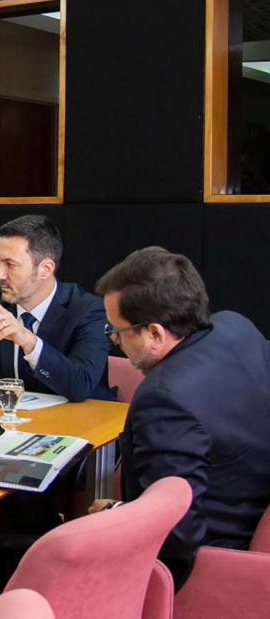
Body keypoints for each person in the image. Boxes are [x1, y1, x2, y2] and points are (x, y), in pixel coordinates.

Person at [91, 246, 270, 589]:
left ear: (156, 333)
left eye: (118, 330)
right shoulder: (236, 327)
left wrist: (117, 517)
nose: (114, 340)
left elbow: (175, 536)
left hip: (212, 566)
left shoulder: (164, 400)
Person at [0, 214, 113, 402]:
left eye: (10, 265)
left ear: (45, 269)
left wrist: (28, 341)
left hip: (82, 424)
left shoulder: (89, 310)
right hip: (11, 423)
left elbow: (81, 385)